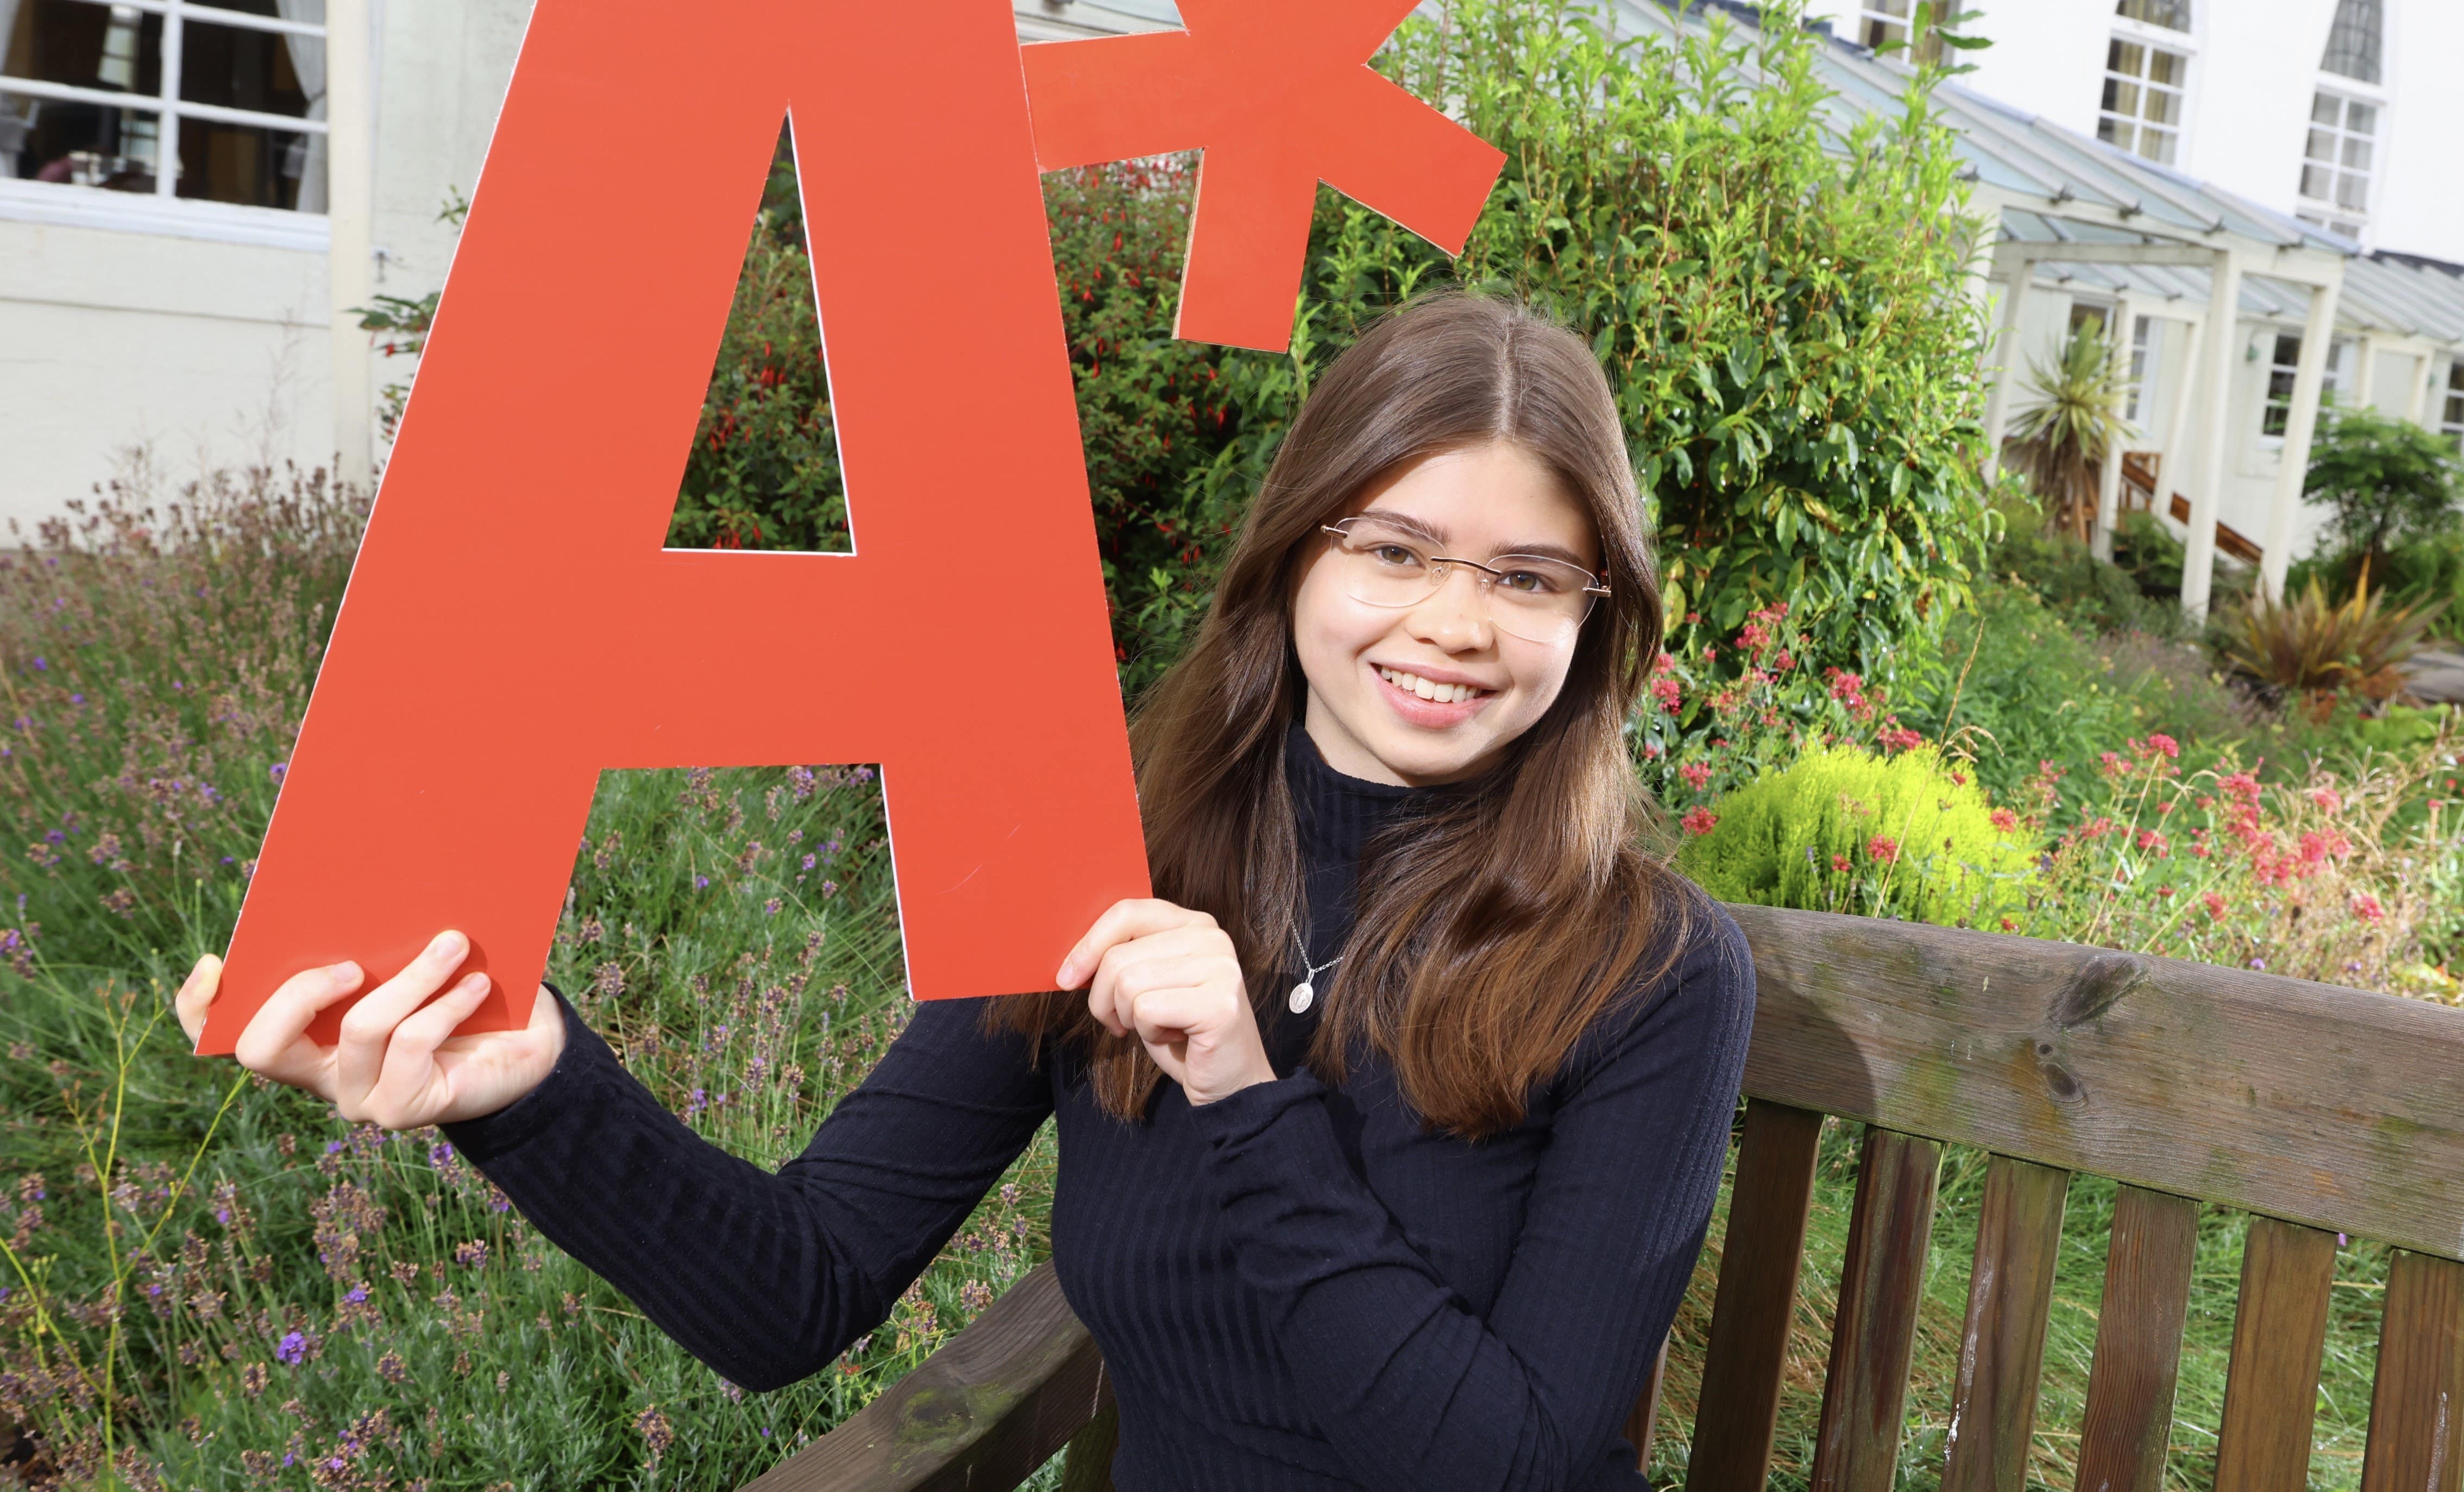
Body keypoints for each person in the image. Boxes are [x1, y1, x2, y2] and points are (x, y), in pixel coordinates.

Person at [176, 292, 1755, 1492]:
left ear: (1595, 610)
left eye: (1527, 576)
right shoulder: (1109, 869)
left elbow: (1523, 1462)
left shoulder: (1653, 977)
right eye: (1396, 548)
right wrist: (528, 1089)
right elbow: (800, 1285)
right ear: (1292, 561)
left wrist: (1243, 1090)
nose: (1457, 622)